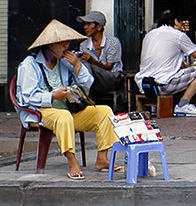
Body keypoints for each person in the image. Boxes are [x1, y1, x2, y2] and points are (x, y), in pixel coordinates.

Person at [14, 20, 118, 179]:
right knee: (63, 117)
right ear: (49, 44)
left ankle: (102, 159)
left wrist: (77, 65)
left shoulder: (64, 63)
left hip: (68, 110)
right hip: (41, 113)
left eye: (67, 43)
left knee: (104, 111)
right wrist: (53, 96)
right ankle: (72, 161)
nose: (66, 47)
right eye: (62, 44)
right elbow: (27, 97)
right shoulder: (30, 65)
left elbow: (87, 85)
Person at [139, 8, 196, 116]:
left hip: (143, 84)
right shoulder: (178, 35)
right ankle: (183, 105)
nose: (181, 26)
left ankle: (156, 107)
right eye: (180, 22)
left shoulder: (149, 35)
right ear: (175, 21)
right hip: (163, 85)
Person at [78, 11, 125, 106]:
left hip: (113, 79)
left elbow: (109, 67)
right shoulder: (83, 45)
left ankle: (84, 101)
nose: (85, 27)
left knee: (87, 66)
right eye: (84, 24)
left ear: (99, 27)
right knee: (83, 67)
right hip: (95, 82)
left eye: (88, 24)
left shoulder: (113, 42)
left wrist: (93, 61)